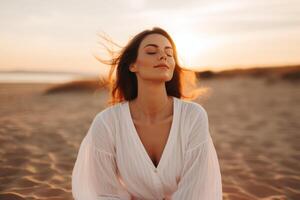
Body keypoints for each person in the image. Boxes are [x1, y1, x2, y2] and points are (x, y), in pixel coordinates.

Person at [72, 27, 223, 200]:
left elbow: (197, 190)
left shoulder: (194, 116)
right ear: (132, 65)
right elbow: (103, 192)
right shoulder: (106, 123)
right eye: (151, 51)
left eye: (170, 53)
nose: (163, 56)